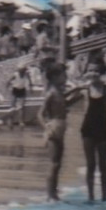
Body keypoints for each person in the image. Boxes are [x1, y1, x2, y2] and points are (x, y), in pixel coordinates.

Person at [78, 71, 106, 203]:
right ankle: (90, 196)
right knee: (90, 164)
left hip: (103, 128)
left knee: (103, 164)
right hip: (88, 129)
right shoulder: (85, 90)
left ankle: (104, 196)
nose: (94, 76)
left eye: (96, 72)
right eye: (91, 73)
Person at [39, 60, 68, 202]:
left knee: (58, 163)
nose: (66, 77)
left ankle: (54, 192)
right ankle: (50, 194)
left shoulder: (59, 92)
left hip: (60, 125)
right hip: (54, 126)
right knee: (54, 163)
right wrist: (47, 127)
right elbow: (40, 113)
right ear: (55, 77)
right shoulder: (50, 93)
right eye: (63, 74)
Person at [9, 62, 31, 127]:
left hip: (22, 90)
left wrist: (31, 87)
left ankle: (21, 121)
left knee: (21, 107)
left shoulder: (26, 74)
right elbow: (9, 80)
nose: (23, 71)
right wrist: (8, 86)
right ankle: (11, 121)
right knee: (12, 107)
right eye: (22, 70)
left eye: (24, 70)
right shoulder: (15, 74)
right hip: (15, 90)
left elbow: (30, 81)